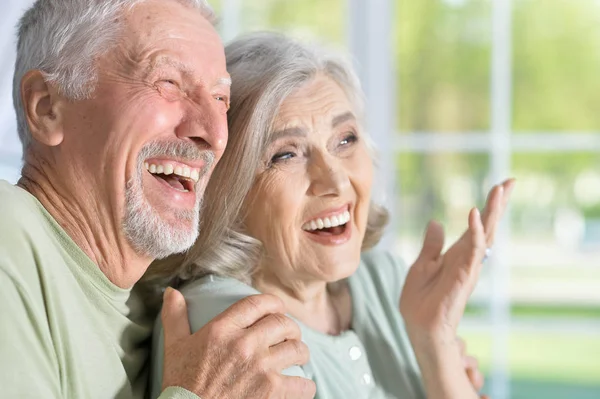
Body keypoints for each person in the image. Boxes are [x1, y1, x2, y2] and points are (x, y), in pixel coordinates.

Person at [148, 32, 514, 398]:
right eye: (286, 154)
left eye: (345, 140)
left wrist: (436, 341)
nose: (336, 180)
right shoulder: (235, 329)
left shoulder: (384, 282)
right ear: (228, 188)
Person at [0, 2, 316, 398]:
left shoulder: (165, 306)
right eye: (168, 82)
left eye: (221, 99)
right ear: (46, 107)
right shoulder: (7, 237)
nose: (214, 134)